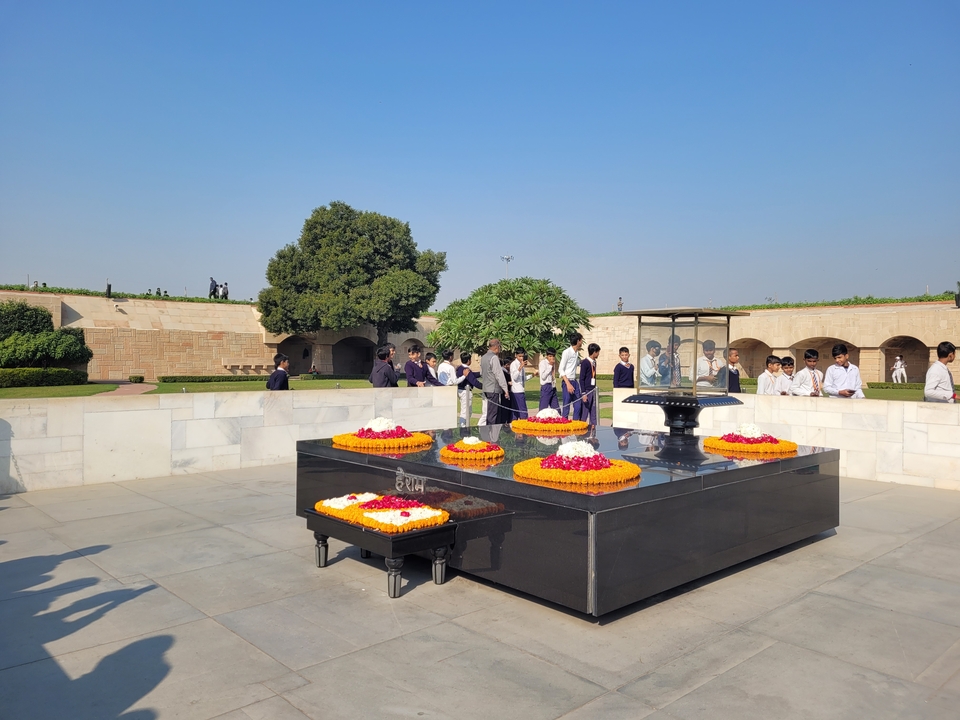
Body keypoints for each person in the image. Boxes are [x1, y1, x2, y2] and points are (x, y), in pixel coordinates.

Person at [480, 338, 510, 426]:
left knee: (489, 412)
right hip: (493, 389)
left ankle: (489, 431)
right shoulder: (494, 358)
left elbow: (481, 373)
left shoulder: (483, 357)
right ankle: (492, 433)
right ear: (496, 347)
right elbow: (499, 374)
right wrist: (505, 389)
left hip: (486, 388)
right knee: (493, 414)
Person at [559, 333, 584, 418]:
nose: (582, 342)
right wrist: (568, 384)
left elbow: (575, 363)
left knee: (578, 405)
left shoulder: (576, 353)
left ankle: (575, 423)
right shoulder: (566, 352)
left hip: (575, 381)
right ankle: (564, 424)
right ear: (578, 341)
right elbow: (561, 369)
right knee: (566, 406)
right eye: (581, 340)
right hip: (567, 381)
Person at [456, 352, 483, 426]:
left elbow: (473, 374)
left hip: (460, 391)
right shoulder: (466, 370)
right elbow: (474, 381)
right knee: (466, 411)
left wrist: (481, 373)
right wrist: (484, 387)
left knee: (465, 410)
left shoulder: (460, 368)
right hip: (466, 392)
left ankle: (464, 425)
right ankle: (463, 426)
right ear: (468, 360)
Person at [509, 348, 537, 420]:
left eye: (522, 356)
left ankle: (517, 424)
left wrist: (533, 375)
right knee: (522, 411)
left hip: (521, 389)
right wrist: (520, 367)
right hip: (517, 391)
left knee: (517, 411)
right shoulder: (514, 364)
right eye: (519, 356)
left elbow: (523, 379)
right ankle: (522, 424)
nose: (521, 358)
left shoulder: (521, 365)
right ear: (516, 355)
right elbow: (514, 377)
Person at [578, 343, 600, 424]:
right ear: (594, 352)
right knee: (584, 412)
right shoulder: (585, 362)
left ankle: (593, 429)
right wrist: (583, 393)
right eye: (598, 352)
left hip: (593, 389)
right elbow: (581, 378)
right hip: (587, 390)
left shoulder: (594, 362)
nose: (598, 354)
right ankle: (581, 429)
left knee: (593, 411)